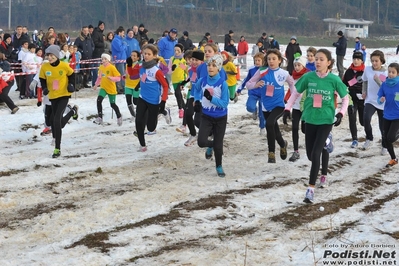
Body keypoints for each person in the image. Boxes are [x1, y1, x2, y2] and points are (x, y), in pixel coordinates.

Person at [285, 48, 349, 203]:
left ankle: (310, 190)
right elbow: (295, 92)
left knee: (315, 155)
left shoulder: (334, 80)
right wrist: (287, 108)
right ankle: (327, 142)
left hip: (326, 120)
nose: (318, 62)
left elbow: (345, 98)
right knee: (309, 154)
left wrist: (341, 113)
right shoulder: (308, 77)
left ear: (329, 62)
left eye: (321, 59)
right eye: (316, 59)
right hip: (309, 118)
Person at [246, 49, 294, 163]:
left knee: (269, 123)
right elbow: (248, 84)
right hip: (266, 106)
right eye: (268, 59)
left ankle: (271, 153)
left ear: (280, 60)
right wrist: (255, 85)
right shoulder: (262, 71)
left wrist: (290, 103)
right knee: (274, 128)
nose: (271, 61)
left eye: (274, 59)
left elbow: (293, 87)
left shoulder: (284, 73)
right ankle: (283, 144)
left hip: (279, 105)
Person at [193, 54, 229, 177]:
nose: (210, 68)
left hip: (220, 118)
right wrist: (197, 100)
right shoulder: (202, 80)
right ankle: (213, 145)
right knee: (201, 142)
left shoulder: (222, 84)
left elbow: (224, 103)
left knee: (218, 144)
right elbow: (196, 89)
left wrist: (211, 98)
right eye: (209, 65)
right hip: (206, 116)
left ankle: (219, 166)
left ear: (219, 68)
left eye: (214, 65)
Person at [39, 45, 77, 158]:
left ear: (56, 55)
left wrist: (71, 85)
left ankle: (57, 148)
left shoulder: (64, 65)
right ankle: (72, 112)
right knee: (54, 121)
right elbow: (42, 79)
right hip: (53, 96)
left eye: (52, 56)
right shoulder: (45, 67)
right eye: (48, 56)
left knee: (56, 120)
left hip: (64, 95)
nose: (49, 58)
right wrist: (44, 88)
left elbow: (72, 75)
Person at [134, 44, 171, 152]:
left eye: (149, 54)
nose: (146, 56)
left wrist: (163, 101)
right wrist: (137, 87)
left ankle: (163, 111)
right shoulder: (141, 67)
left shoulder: (156, 70)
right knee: (138, 121)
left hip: (154, 101)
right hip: (142, 98)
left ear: (154, 56)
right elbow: (142, 78)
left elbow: (165, 85)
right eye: (145, 53)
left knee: (150, 128)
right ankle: (142, 145)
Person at [283, 56, 309, 162]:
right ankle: (296, 151)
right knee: (294, 128)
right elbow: (291, 90)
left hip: (306, 107)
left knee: (305, 129)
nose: (297, 67)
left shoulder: (308, 76)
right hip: (295, 107)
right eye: (295, 65)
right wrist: (286, 100)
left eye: (299, 65)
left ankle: (312, 147)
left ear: (303, 65)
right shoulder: (292, 77)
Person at [361, 50, 387, 153]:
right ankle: (369, 138)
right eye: (372, 61)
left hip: (382, 102)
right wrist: (363, 91)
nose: (374, 63)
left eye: (376, 61)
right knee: (366, 119)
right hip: (370, 100)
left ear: (381, 61)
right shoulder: (367, 70)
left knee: (383, 126)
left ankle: (384, 145)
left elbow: (384, 88)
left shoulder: (384, 72)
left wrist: (378, 80)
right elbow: (365, 81)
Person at [236, 52, 266, 134]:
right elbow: (246, 80)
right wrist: (239, 89)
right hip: (253, 93)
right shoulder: (252, 70)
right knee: (249, 107)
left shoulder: (266, 70)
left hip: (263, 94)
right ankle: (254, 110)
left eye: (259, 60)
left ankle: (262, 127)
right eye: (255, 60)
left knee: (262, 113)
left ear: (263, 61)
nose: (257, 62)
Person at [377, 62, 399, 167]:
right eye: (389, 72)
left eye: (393, 72)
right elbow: (379, 98)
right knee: (385, 140)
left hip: (397, 115)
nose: (390, 74)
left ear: (398, 74)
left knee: (390, 138)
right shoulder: (384, 84)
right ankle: (393, 159)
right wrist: (380, 100)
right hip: (387, 115)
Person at [180, 50, 203, 146]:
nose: (193, 62)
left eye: (196, 60)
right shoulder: (190, 70)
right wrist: (183, 83)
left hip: (203, 97)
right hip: (193, 95)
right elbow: (190, 78)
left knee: (198, 120)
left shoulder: (204, 70)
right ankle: (193, 134)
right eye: (192, 59)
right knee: (188, 114)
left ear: (202, 61)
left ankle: (208, 133)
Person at [342, 51, 365, 148]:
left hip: (363, 99)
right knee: (352, 119)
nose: (356, 61)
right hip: (352, 98)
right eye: (354, 59)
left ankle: (368, 136)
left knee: (363, 121)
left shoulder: (365, 71)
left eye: (358, 59)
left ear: (362, 61)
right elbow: (343, 84)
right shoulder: (348, 71)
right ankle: (354, 139)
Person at [92, 53, 123, 126]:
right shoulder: (101, 67)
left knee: (112, 104)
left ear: (108, 60)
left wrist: (111, 78)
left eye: (105, 59)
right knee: (99, 100)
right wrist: (96, 85)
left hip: (111, 88)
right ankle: (100, 117)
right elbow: (99, 77)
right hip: (103, 87)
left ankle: (119, 116)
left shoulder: (112, 67)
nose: (103, 60)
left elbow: (118, 77)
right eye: (102, 59)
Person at [168, 43, 187, 119]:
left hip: (182, 80)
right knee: (178, 95)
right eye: (175, 50)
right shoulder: (172, 59)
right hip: (174, 80)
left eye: (178, 51)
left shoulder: (183, 60)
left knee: (177, 93)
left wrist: (186, 80)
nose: (176, 52)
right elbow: (168, 71)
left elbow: (186, 71)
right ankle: (185, 107)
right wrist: (172, 69)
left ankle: (180, 109)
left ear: (182, 51)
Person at [124, 50, 141, 120]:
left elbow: (138, 75)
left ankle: (139, 112)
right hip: (128, 85)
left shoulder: (139, 65)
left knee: (135, 102)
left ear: (138, 58)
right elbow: (127, 73)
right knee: (128, 101)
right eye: (131, 55)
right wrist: (124, 76)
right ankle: (134, 115)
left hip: (135, 85)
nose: (132, 57)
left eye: (134, 56)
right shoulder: (127, 64)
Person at [111, 26, 127, 94]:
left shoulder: (121, 40)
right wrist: (124, 45)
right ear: (119, 32)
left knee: (123, 74)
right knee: (120, 74)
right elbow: (119, 49)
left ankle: (123, 86)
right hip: (118, 59)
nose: (123, 34)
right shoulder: (116, 40)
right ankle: (120, 87)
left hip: (123, 58)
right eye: (123, 33)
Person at [91, 20, 105, 87]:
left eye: (103, 25)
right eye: (101, 25)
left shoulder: (100, 32)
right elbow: (95, 42)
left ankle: (98, 82)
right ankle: (95, 82)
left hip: (100, 52)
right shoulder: (96, 32)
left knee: (99, 69)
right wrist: (103, 44)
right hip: (96, 53)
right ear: (99, 26)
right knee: (96, 69)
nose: (102, 26)